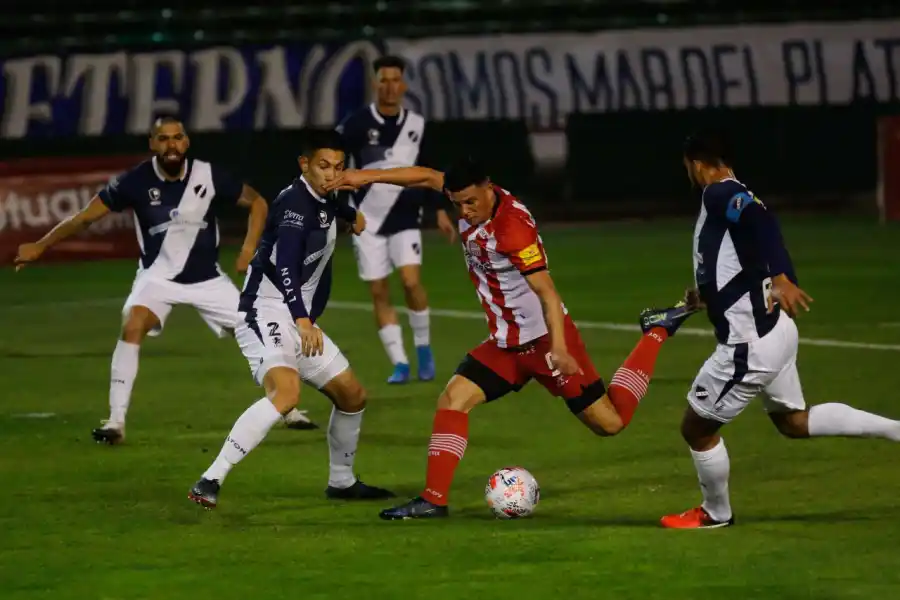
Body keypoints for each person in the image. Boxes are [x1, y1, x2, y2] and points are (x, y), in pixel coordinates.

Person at [325, 157, 694, 520]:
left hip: (545, 342)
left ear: (488, 188)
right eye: (457, 204)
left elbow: (548, 294)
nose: (465, 211)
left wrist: (560, 349)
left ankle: (656, 330)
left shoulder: (511, 231)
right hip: (505, 344)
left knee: (610, 423)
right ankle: (433, 500)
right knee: (452, 400)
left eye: (471, 202)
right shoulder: (472, 197)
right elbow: (424, 176)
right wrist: (364, 177)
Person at [659, 130, 900, 529]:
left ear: (697, 165)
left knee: (697, 428)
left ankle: (715, 513)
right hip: (776, 331)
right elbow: (745, 255)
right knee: (793, 421)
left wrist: (783, 277)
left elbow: (761, 223)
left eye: (688, 167)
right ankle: (896, 430)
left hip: (749, 344)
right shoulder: (737, 193)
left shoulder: (718, 192)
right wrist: (707, 297)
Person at [14, 115, 271, 444]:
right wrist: (41, 245)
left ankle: (286, 405)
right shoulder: (134, 181)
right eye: (163, 139)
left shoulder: (207, 175)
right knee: (133, 323)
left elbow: (258, 202)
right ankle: (115, 422)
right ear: (152, 143)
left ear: (186, 141)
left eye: (177, 137)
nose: (171, 145)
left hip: (208, 279)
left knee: (259, 330)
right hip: (158, 277)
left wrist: (248, 249)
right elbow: (84, 218)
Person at [188, 131, 395, 509]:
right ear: (304, 165)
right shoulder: (294, 205)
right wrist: (302, 320)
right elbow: (286, 264)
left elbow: (330, 207)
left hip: (295, 315)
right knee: (286, 394)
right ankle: (210, 479)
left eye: (339, 167)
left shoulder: (323, 197)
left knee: (352, 396)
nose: (332, 174)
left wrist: (350, 215)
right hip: (266, 311)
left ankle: (342, 482)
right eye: (323, 166)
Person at [335, 55, 456, 385]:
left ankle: (423, 349)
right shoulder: (355, 124)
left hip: (406, 216)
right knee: (379, 291)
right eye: (383, 80)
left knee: (411, 282)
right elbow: (335, 165)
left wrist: (439, 210)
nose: (389, 87)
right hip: (368, 219)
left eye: (395, 80)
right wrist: (343, 210)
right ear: (375, 84)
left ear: (403, 85)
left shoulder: (417, 125)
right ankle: (400, 363)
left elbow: (430, 171)